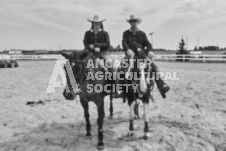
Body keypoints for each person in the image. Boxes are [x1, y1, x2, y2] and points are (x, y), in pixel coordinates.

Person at [122, 15, 170, 98]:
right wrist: (127, 50)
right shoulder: (126, 33)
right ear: (129, 23)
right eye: (131, 21)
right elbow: (124, 43)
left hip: (141, 55)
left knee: (154, 67)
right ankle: (121, 90)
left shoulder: (142, 34)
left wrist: (150, 51)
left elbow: (148, 44)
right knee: (120, 67)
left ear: (137, 22)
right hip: (130, 56)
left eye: (134, 21)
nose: (133, 23)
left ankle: (162, 86)